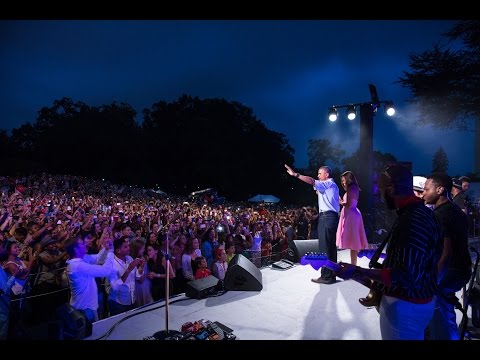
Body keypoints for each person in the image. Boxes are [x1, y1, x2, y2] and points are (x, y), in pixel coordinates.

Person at [331, 164, 442, 340]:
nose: (381, 196)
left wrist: (357, 271)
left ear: (392, 188)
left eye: (382, 190)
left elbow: (403, 275)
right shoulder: (422, 214)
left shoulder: (410, 221)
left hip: (405, 307)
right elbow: (420, 258)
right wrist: (385, 256)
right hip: (421, 302)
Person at [422, 173, 472, 340]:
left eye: (426, 189)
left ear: (440, 189)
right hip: (462, 269)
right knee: (445, 312)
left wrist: (433, 280)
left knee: (441, 316)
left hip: (451, 271)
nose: (423, 193)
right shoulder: (456, 211)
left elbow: (446, 252)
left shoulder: (440, 215)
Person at [285, 164, 340, 284]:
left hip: (326, 217)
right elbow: (320, 193)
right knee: (330, 248)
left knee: (325, 248)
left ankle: (326, 277)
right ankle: (332, 275)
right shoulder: (332, 186)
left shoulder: (328, 183)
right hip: (331, 217)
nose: (318, 176)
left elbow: (311, 181)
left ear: (327, 174)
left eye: (320, 173)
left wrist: (296, 174)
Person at [64, 234, 114, 323]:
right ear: (76, 249)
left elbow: (97, 259)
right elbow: (105, 271)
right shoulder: (78, 265)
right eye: (82, 244)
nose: (85, 245)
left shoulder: (80, 260)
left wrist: (105, 249)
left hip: (85, 306)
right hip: (85, 308)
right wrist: (110, 252)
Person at [336, 171, 368, 266]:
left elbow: (348, 204)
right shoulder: (354, 188)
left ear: (349, 178)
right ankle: (353, 265)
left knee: (353, 242)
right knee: (353, 242)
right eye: (342, 181)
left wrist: (340, 202)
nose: (343, 182)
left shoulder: (351, 188)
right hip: (352, 214)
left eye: (344, 180)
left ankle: (353, 266)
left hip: (350, 215)